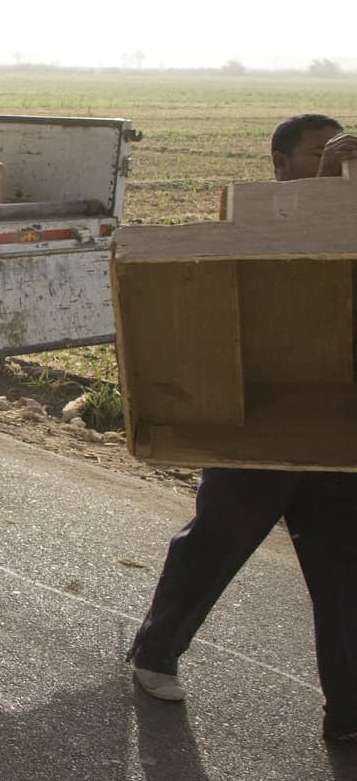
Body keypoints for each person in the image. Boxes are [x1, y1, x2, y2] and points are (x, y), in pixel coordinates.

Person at [128, 113, 357, 743]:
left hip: (340, 435)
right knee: (215, 545)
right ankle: (155, 652)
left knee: (345, 573)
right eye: (323, 155)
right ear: (280, 165)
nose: (339, 166)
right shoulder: (252, 223)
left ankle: (350, 714)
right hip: (255, 428)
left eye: (347, 155)